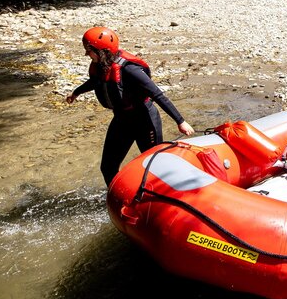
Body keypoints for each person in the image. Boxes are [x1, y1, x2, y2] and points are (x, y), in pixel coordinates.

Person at [66, 27, 195, 186]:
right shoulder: (102, 65)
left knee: (155, 167)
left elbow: (157, 94)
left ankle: (163, 198)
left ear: (103, 52)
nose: (86, 54)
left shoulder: (130, 69)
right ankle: (120, 200)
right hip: (121, 120)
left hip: (144, 119)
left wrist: (180, 121)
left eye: (89, 50)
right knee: (107, 167)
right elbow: (96, 81)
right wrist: (76, 93)